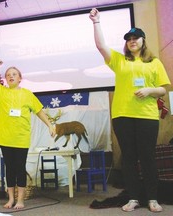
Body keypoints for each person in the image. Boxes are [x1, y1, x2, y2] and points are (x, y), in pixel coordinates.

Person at [89, 8, 171, 213]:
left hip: (147, 117)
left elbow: (165, 88)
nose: (132, 41)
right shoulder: (120, 60)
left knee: (147, 157)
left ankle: (152, 198)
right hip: (122, 116)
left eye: (136, 38)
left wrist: (150, 90)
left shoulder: (154, 62)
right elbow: (100, 45)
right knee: (128, 157)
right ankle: (133, 197)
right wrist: (96, 22)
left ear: (143, 41)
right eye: (129, 39)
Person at [0, 59, 55, 209]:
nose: (11, 76)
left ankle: (21, 200)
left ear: (19, 78)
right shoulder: (1, 91)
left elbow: (39, 112)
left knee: (20, 168)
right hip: (5, 138)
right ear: (5, 79)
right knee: (9, 169)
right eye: (8, 74)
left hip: (21, 138)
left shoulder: (27, 94)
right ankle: (11, 199)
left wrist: (50, 125)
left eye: (14, 74)